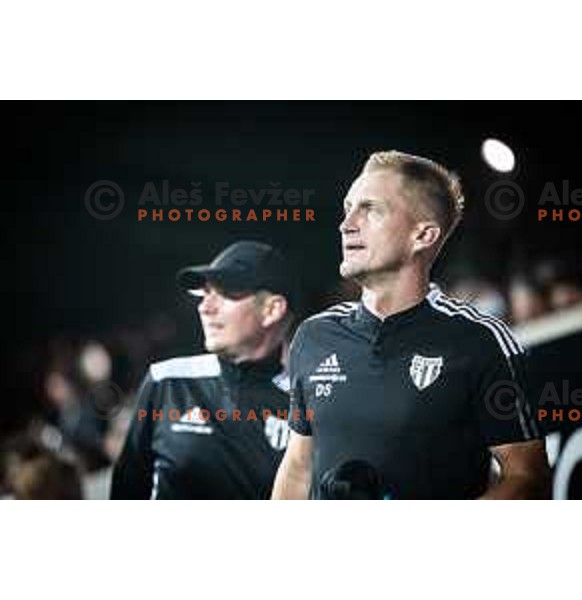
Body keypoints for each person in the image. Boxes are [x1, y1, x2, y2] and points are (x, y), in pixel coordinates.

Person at [272, 150, 550, 500]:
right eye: (348, 208)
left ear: (423, 235)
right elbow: (299, 465)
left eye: (370, 209)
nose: (346, 224)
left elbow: (527, 475)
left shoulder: (480, 340)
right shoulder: (313, 336)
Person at [111, 241, 295, 499]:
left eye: (226, 293)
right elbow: (126, 493)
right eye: (205, 293)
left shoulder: (309, 398)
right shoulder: (167, 381)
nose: (205, 307)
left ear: (272, 309)